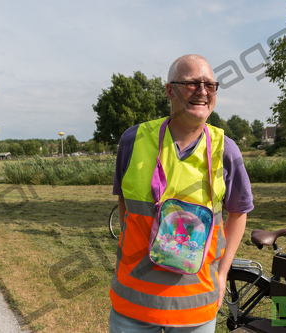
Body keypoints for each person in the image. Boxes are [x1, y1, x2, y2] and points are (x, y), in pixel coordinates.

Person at [109, 54, 254, 332]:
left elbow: (239, 212)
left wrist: (222, 274)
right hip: (132, 301)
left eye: (210, 85)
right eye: (191, 83)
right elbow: (125, 203)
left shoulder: (227, 149)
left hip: (195, 307)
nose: (202, 91)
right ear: (168, 90)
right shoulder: (133, 140)